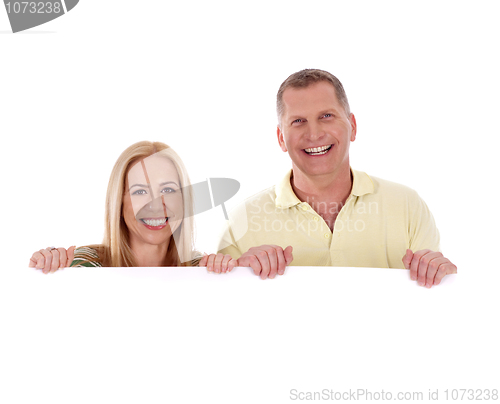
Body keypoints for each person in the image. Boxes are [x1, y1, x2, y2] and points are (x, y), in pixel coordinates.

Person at [217, 69, 457, 287]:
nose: (314, 134)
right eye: (298, 121)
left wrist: (442, 279)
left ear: (352, 125)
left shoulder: (408, 206)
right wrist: (239, 276)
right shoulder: (241, 222)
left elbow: (431, 304)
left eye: (327, 116)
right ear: (281, 138)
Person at [29, 141, 235, 273]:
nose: (155, 205)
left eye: (168, 190)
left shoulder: (201, 270)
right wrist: (45, 268)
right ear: (119, 202)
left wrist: (238, 273)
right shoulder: (83, 267)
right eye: (139, 191)